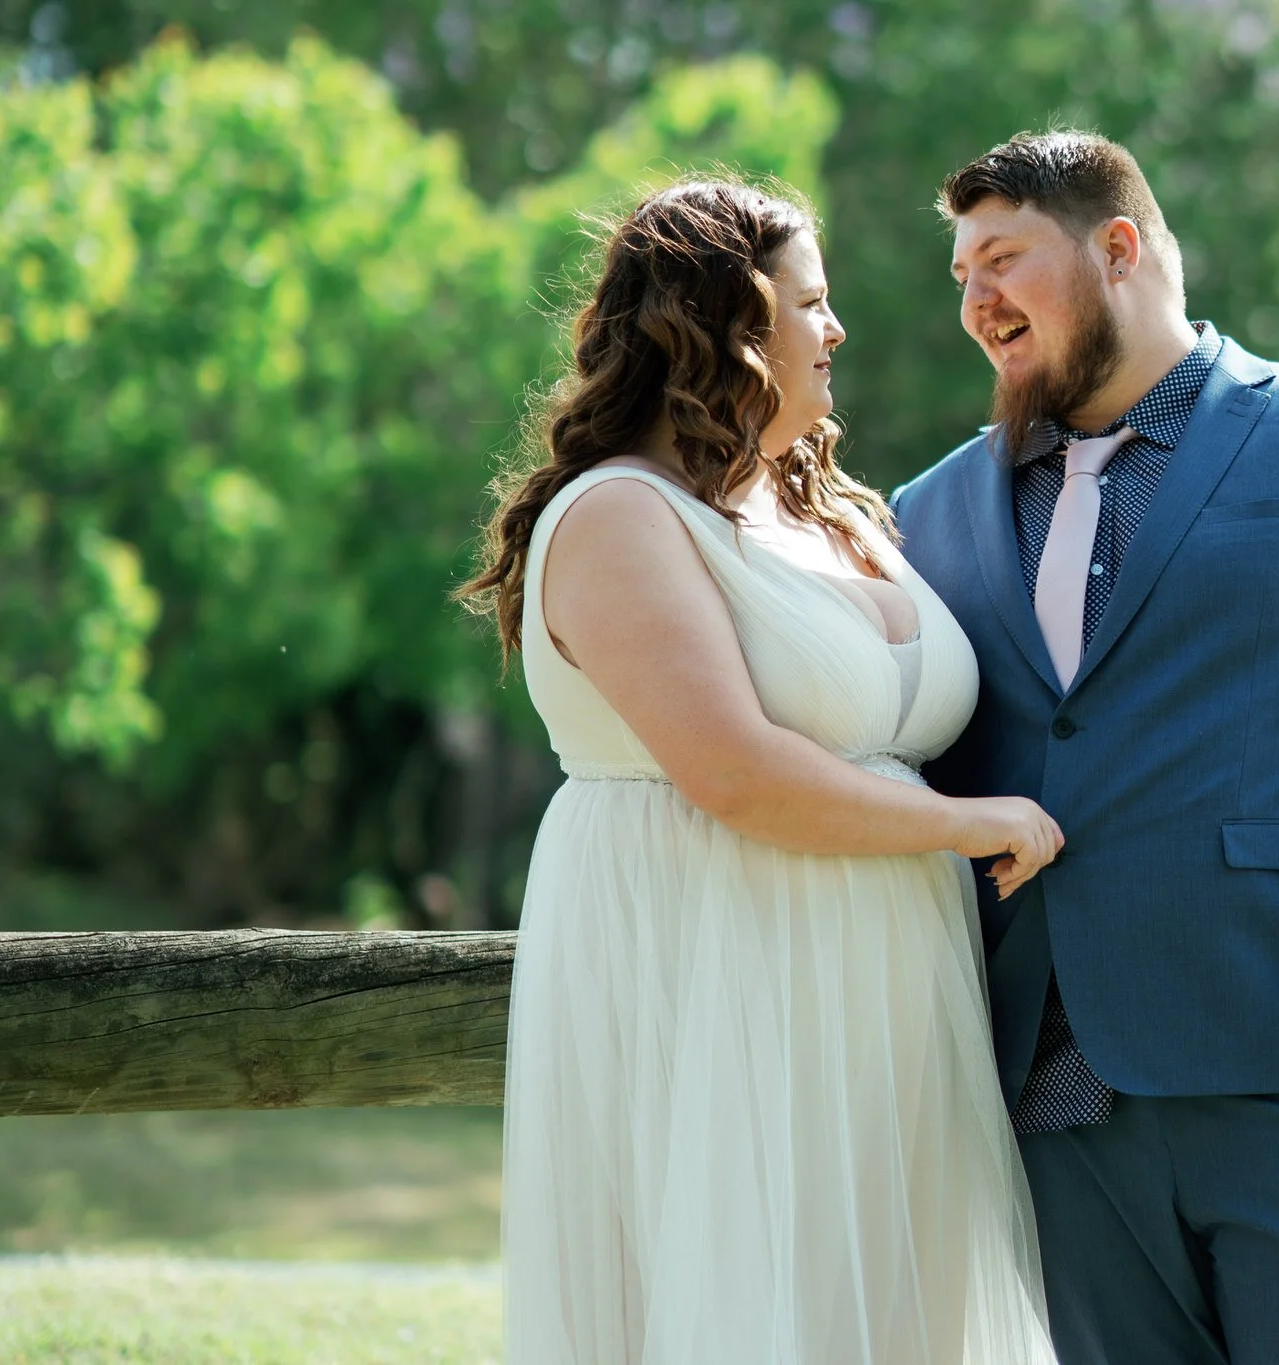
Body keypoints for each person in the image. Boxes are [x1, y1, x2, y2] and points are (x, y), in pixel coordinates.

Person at [891, 131, 1279, 1363]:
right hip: (1049, 1093)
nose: (974, 302)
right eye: (959, 273)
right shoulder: (931, 511)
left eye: (1002, 260)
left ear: (1116, 247)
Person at [460, 177, 1061, 1365]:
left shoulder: (829, 510)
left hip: (892, 989)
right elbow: (734, 773)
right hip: (718, 972)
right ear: (726, 324)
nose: (835, 331)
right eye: (810, 303)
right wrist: (969, 824)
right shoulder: (619, 517)